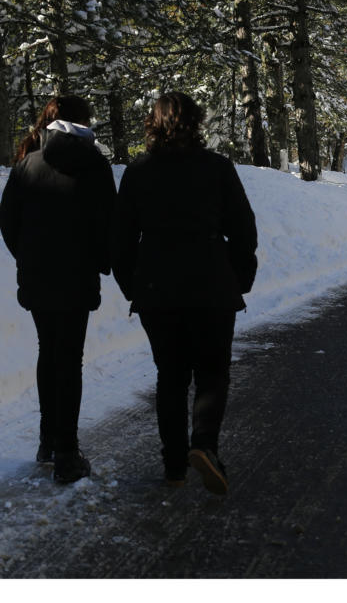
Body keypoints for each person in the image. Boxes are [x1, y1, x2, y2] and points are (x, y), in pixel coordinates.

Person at [111, 92, 257, 494]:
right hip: (211, 282)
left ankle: (174, 464)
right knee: (212, 373)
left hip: (158, 288)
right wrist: (239, 276)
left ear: (153, 124)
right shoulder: (217, 168)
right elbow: (243, 228)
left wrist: (132, 285)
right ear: (196, 123)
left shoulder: (138, 171)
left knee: (170, 377)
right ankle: (204, 446)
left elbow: (121, 239)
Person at [0, 95, 116, 484]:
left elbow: (7, 218)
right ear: (83, 124)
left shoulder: (27, 162)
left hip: (37, 273)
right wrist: (102, 259)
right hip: (77, 274)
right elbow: (107, 220)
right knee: (70, 357)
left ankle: (48, 441)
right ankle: (67, 450)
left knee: (47, 352)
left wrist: (26, 255)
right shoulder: (95, 164)